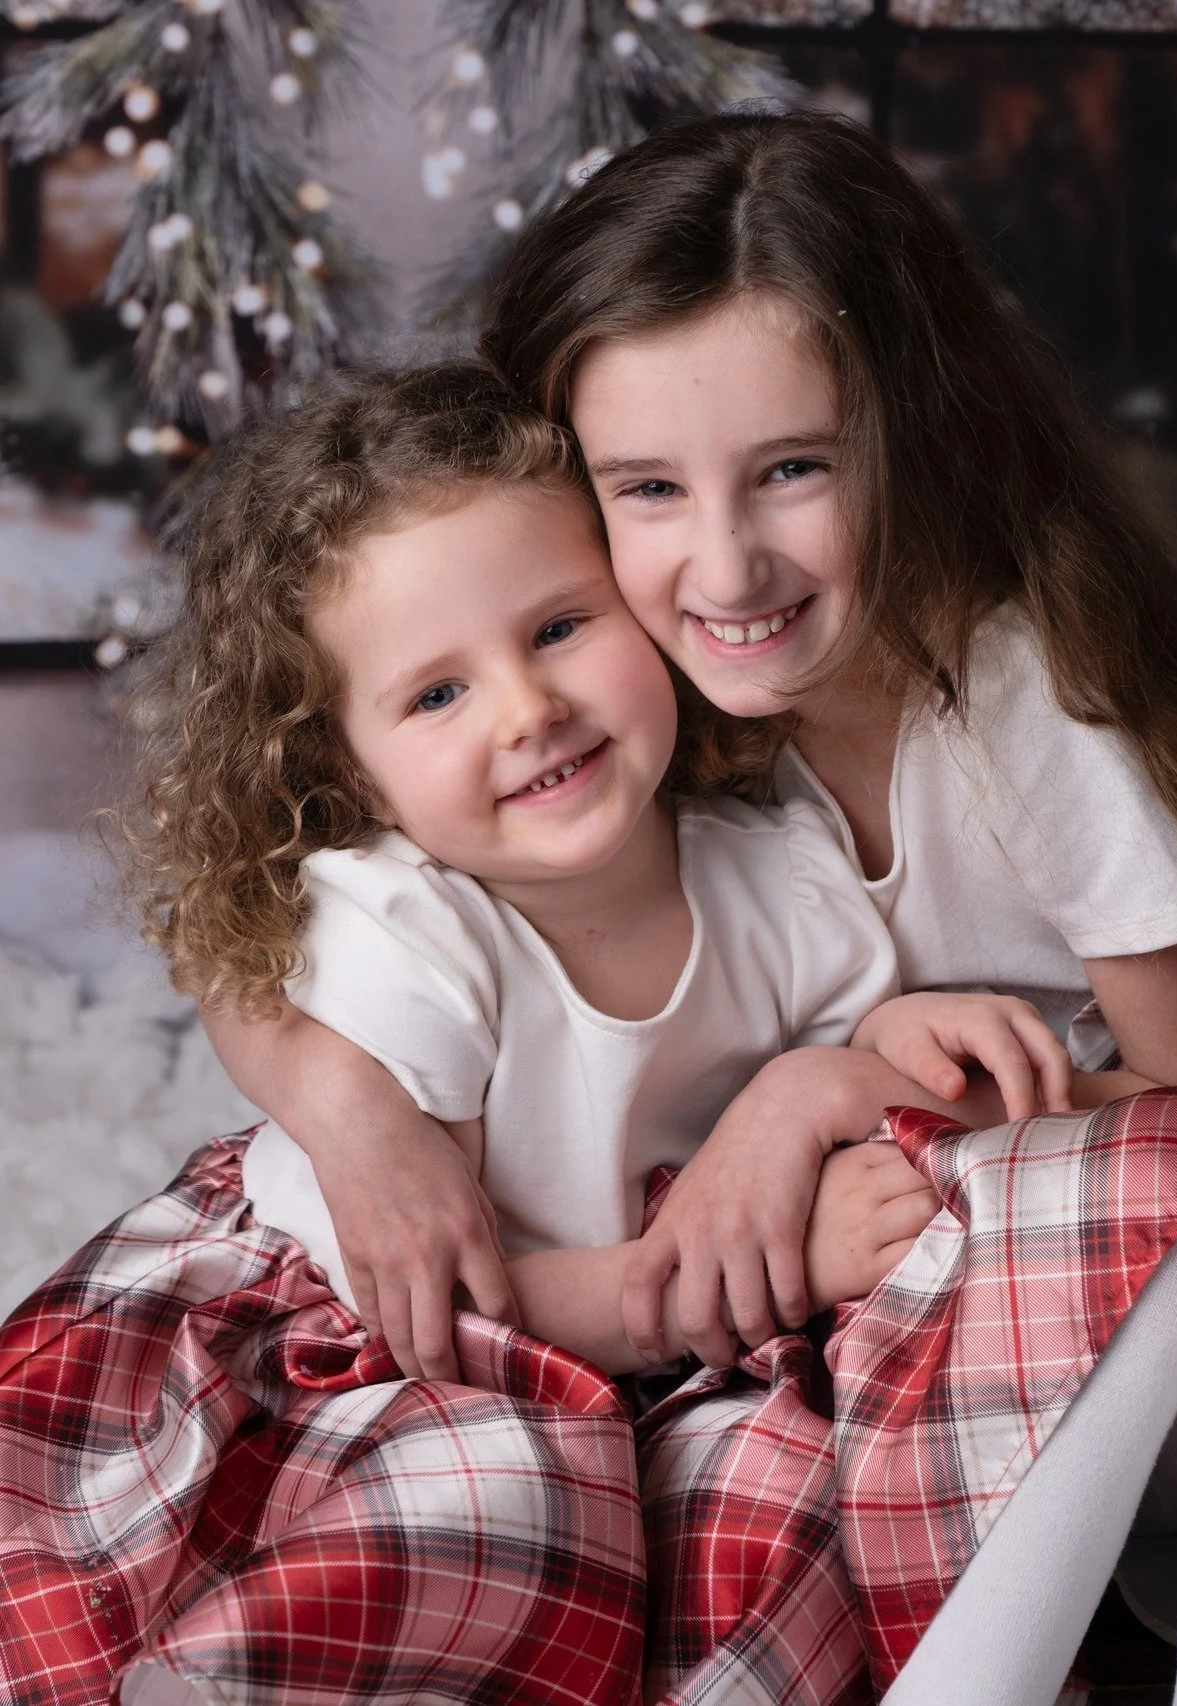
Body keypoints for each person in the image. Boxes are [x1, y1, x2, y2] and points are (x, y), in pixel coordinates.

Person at [202, 113, 1177, 1701]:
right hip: (879, 1307)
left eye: (795, 468)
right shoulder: (624, 703)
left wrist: (823, 1096)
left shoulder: (1024, 698)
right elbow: (254, 921)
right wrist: (356, 1116)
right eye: (648, 487)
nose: (729, 564)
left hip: (1153, 1304)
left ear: (916, 437)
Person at [1, 361, 1111, 1706]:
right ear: (347, 769)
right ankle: (242, 1668)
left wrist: (900, 1036)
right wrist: (725, 1284)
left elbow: (830, 1052)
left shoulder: (783, 879)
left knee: (787, 1489)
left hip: (636, 1344)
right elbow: (455, 1307)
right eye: (436, 696)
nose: (527, 710)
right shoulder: (414, 931)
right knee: (496, 1491)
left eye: (560, 627)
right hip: (373, 1348)